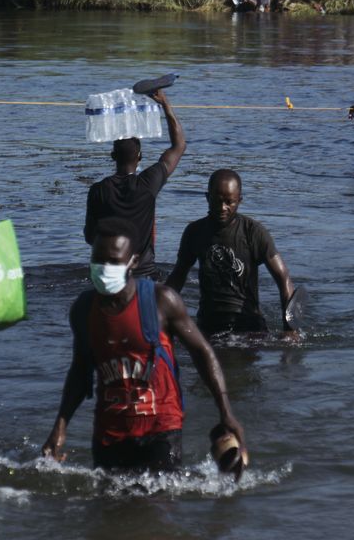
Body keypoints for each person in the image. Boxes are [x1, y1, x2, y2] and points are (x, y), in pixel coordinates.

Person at [42, 218, 247, 476]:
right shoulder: (84, 309)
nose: (105, 269)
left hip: (160, 429)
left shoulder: (161, 301)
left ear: (133, 262)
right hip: (109, 432)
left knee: (157, 507)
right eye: (98, 260)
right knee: (107, 510)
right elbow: (80, 370)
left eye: (114, 261)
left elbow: (202, 352)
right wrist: (60, 425)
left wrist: (225, 412)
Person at [164, 169, 296, 335]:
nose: (222, 207)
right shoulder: (194, 232)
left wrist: (289, 328)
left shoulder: (254, 232)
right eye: (217, 201)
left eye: (229, 202)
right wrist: (159, 313)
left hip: (248, 325)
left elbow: (283, 279)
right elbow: (177, 277)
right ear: (207, 197)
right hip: (208, 323)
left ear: (239, 201)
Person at [84, 89, 184, 279]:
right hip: (144, 273)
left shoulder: (98, 190)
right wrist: (165, 104)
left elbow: (90, 237)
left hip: (108, 273)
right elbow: (179, 146)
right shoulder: (148, 184)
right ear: (140, 157)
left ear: (113, 156)